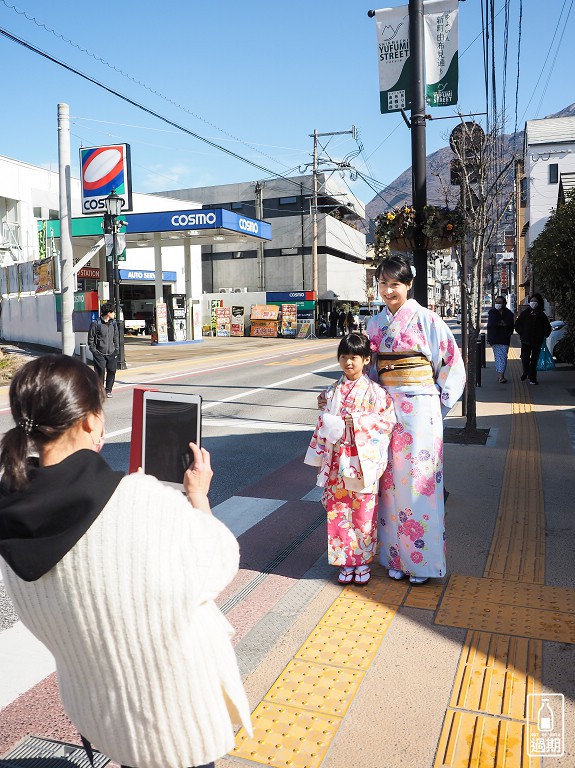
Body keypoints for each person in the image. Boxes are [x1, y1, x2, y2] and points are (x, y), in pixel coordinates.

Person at [0, 354, 251, 768]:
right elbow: (220, 560)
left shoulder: (12, 517)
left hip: (101, 717)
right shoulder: (139, 499)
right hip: (176, 727)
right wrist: (198, 497)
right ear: (89, 422)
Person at [366, 255, 466, 585]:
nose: (388, 290)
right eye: (382, 283)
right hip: (386, 412)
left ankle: (421, 563)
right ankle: (395, 557)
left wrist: (436, 405)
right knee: (390, 485)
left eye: (395, 283)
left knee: (420, 484)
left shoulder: (428, 320)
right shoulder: (375, 325)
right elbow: (370, 371)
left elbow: (452, 365)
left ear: (408, 285)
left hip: (421, 412)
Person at [305, 334, 396, 586]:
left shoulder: (376, 392)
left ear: (366, 360)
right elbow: (324, 409)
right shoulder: (333, 390)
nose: (348, 362)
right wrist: (324, 407)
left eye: (354, 357)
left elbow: (387, 422)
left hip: (362, 461)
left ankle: (363, 561)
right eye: (343, 357)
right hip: (337, 460)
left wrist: (356, 421)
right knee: (338, 512)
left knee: (364, 512)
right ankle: (345, 562)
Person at [514, 293, 552, 385]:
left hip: (537, 341)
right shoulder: (525, 313)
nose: (533, 303)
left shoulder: (541, 315)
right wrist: (522, 332)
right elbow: (517, 325)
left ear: (539, 303)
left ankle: (532, 378)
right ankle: (526, 372)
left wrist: (544, 335)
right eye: (531, 301)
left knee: (534, 360)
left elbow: (547, 327)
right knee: (525, 358)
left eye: (535, 301)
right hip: (525, 340)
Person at [88, 302, 120, 398]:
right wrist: (94, 350)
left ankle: (108, 391)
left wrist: (116, 349)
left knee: (111, 371)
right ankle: (100, 391)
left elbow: (116, 337)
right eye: (113, 312)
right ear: (108, 313)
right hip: (99, 353)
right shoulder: (96, 323)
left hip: (111, 352)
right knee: (100, 372)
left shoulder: (113, 323)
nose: (114, 314)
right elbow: (90, 338)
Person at [487, 295, 515, 383]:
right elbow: (491, 324)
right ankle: (501, 375)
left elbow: (510, 325)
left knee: (503, 356)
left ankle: (501, 374)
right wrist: (501, 323)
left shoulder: (509, 313)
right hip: (494, 338)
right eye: (496, 302)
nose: (498, 304)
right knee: (498, 356)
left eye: (500, 302)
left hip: (504, 338)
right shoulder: (492, 312)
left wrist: (502, 324)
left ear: (504, 303)